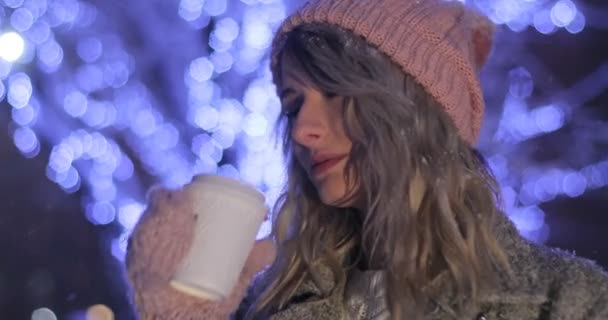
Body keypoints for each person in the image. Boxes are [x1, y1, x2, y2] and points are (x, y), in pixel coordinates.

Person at [126, 0, 608, 319]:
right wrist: (181, 309)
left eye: (335, 91)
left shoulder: (568, 301)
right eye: (294, 104)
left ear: (414, 109)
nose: (301, 129)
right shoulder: (271, 303)